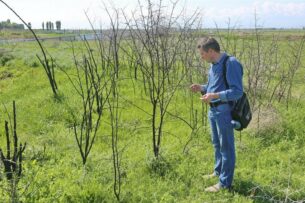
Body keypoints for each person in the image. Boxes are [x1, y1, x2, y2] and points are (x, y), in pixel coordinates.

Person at [190, 37, 243, 192]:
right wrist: (202, 87)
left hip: (224, 111)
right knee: (217, 144)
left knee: (226, 147)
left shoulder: (231, 63)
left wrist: (214, 96)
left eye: (202, 54)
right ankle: (218, 172)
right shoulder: (213, 66)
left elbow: (237, 92)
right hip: (213, 111)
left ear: (211, 51)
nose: (201, 57)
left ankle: (225, 183)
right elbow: (213, 87)